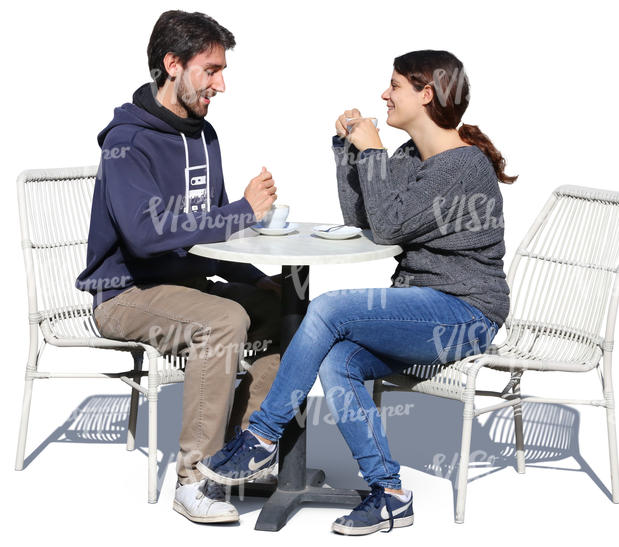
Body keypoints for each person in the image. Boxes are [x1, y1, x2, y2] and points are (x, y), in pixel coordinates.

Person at [197, 49, 517, 535]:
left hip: (464, 313)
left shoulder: (462, 167)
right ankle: (390, 493)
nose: (383, 95)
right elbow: (364, 220)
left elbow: (387, 229)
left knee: (327, 307)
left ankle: (261, 438)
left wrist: (372, 152)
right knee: (337, 360)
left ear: (426, 94)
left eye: (394, 86)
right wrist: (349, 148)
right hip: (420, 313)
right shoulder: (414, 156)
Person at [75, 10, 283, 524]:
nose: (221, 83)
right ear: (173, 64)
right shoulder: (128, 141)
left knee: (285, 307)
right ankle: (192, 478)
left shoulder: (204, 136)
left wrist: (260, 281)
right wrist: (242, 212)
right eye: (210, 70)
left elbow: (209, 235)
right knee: (223, 320)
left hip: (183, 285)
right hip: (124, 293)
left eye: (221, 70)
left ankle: (242, 456)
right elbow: (146, 237)